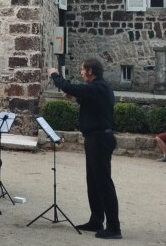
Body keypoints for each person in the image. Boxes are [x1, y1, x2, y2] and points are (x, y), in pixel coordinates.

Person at [50, 60, 122, 239]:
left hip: (100, 139)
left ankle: (114, 228)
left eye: (82, 69)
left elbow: (69, 86)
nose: (81, 72)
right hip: (94, 139)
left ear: (90, 71)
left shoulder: (99, 87)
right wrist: (75, 98)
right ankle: (96, 220)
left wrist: (54, 74)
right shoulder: (97, 89)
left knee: (104, 183)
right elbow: (86, 99)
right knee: (93, 181)